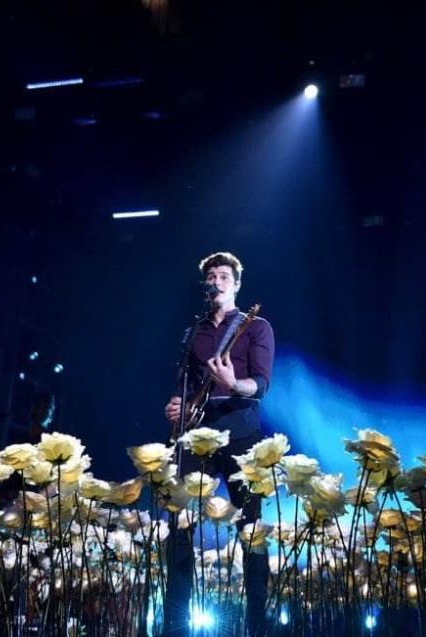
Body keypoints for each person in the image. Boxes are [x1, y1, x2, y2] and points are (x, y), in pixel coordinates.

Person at [163, 251, 275, 637]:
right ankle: (176, 625)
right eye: (211, 275)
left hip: (241, 428)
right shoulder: (193, 332)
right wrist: (176, 404)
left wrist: (233, 383)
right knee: (180, 522)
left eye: (224, 275)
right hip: (197, 433)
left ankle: (256, 626)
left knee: (251, 529)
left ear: (237, 283)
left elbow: (259, 384)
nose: (216, 280)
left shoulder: (255, 326)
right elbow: (185, 383)